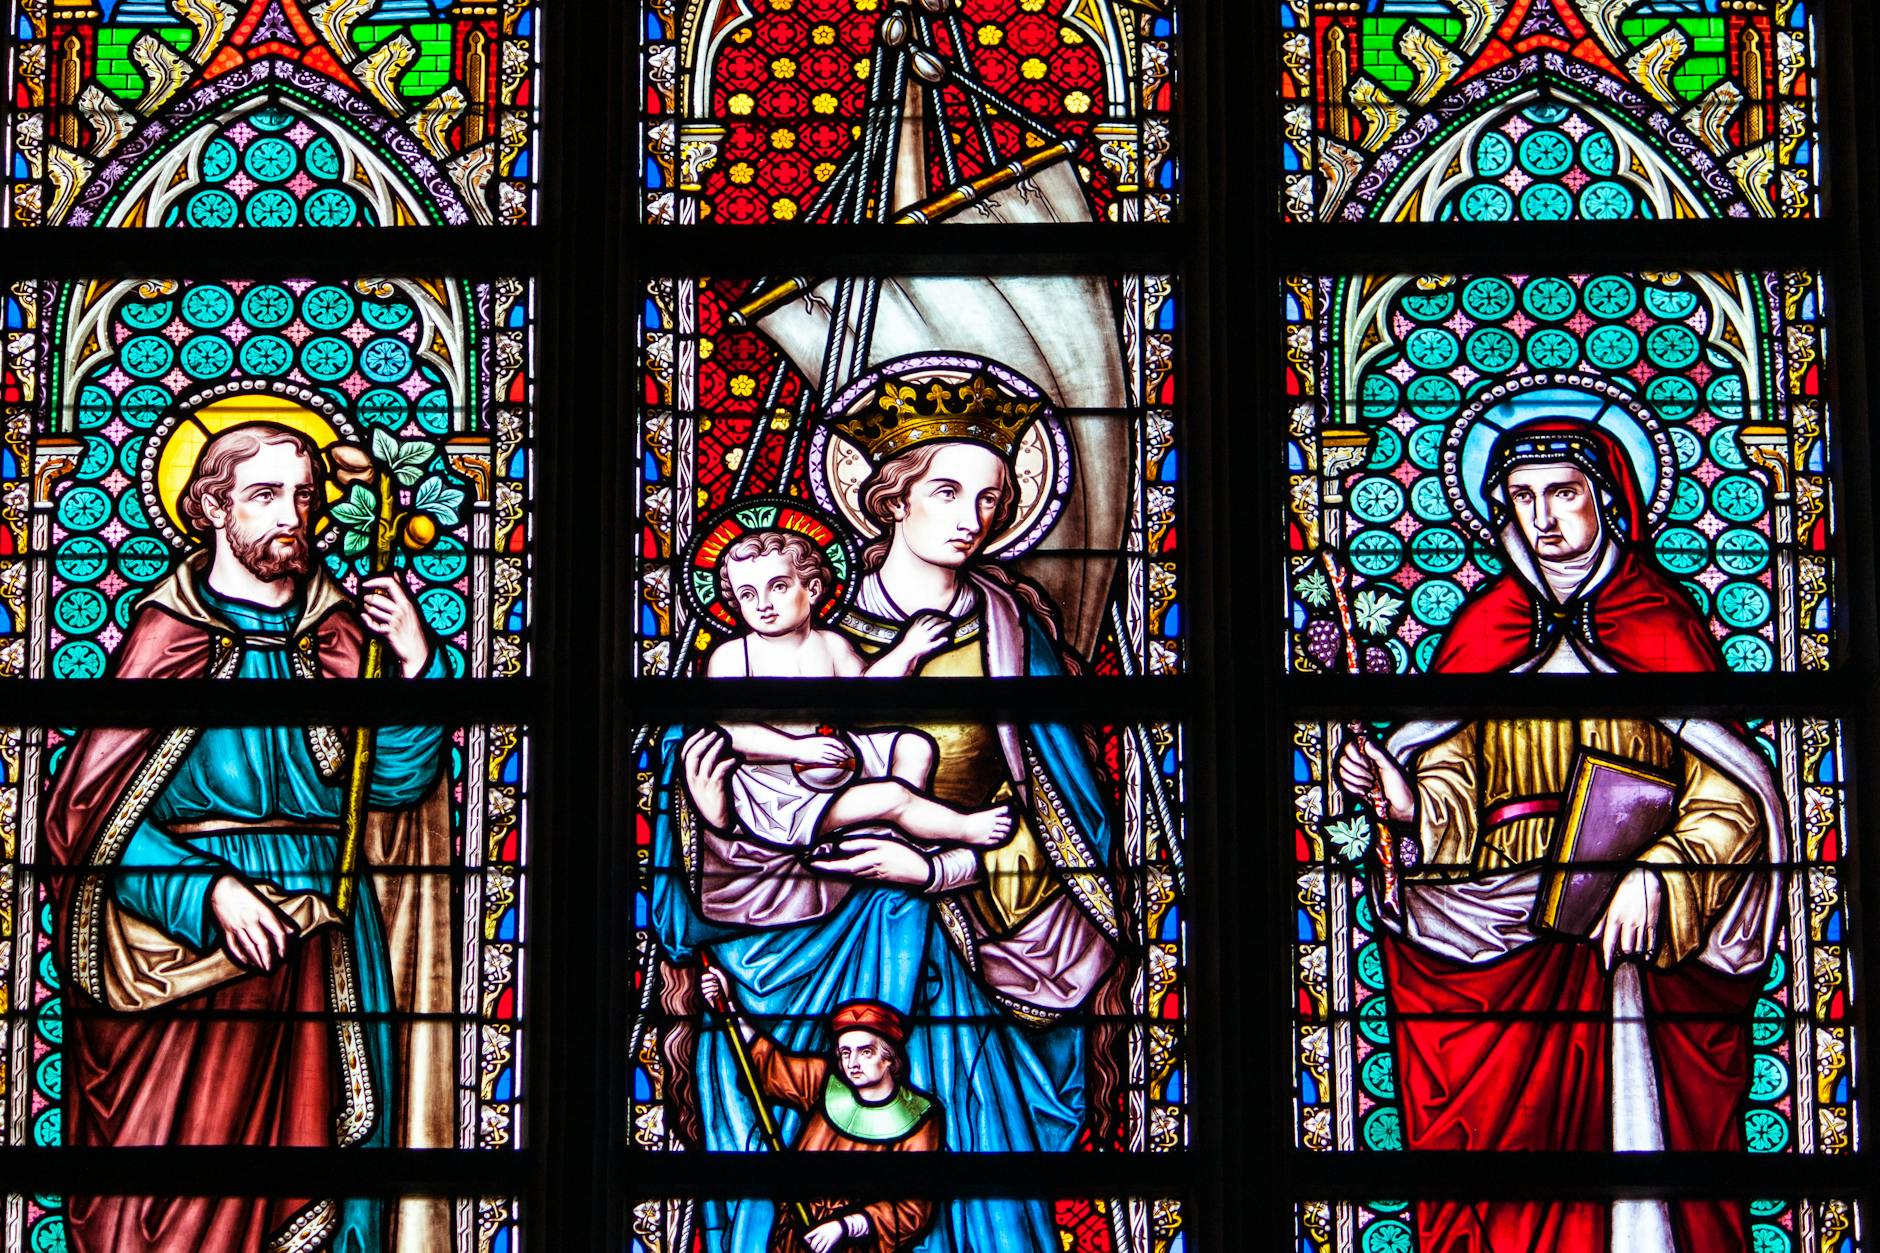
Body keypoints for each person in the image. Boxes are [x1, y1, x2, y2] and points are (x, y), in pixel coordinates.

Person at [655, 364, 1124, 1252]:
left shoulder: (1012, 639)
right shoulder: (794, 639)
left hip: (977, 950)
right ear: (890, 499)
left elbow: (1073, 825)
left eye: (992, 498)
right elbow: (720, 809)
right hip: (800, 945)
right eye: (947, 490)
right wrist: (712, 817)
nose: (973, 516)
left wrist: (941, 867)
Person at [1335, 418, 1783, 1253]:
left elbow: (1732, 797)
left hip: (1635, 950)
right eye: (1522, 497)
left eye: (1564, 493)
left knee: (1640, 1168)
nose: (1542, 518)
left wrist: (1662, 876)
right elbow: (1454, 782)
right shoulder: (1485, 632)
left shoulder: (1662, 626)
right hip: (1503, 945)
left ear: (1608, 499)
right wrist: (1409, 802)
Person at [44, 421, 449, 1253]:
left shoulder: (339, 637)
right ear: (210, 507)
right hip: (187, 960)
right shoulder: (167, 639)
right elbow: (85, 817)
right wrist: (207, 892)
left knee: (327, 1180)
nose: (291, 516)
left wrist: (413, 664)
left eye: (304, 496)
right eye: (264, 495)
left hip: (324, 941)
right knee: (175, 1200)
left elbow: (393, 785)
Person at [706, 527, 1014, 852]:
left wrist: (907, 650)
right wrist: (798, 749)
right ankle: (962, 827)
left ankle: (885, 831)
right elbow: (733, 731)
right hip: (778, 796)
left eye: (778, 586)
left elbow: (867, 692)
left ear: (812, 589)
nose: (763, 604)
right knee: (893, 796)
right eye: (747, 595)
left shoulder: (831, 644)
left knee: (913, 746)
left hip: (834, 756)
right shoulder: (733, 655)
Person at [698, 967, 943, 1253]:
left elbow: (913, 1208)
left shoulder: (919, 1117)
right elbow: (771, 1065)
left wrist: (847, 1226)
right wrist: (729, 1007)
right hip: (796, 1238)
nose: (852, 1063)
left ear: (890, 1058)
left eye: (865, 1052)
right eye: (845, 1052)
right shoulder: (823, 1082)